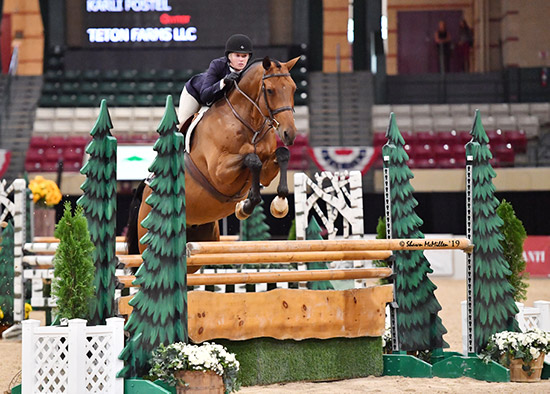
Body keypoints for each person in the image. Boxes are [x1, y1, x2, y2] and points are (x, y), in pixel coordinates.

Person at [178, 34, 253, 127]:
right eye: (237, 55)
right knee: (182, 124)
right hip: (196, 94)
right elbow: (205, 96)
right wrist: (223, 82)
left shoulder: (249, 73)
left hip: (219, 103)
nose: (241, 60)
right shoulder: (218, 65)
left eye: (244, 56)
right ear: (229, 57)